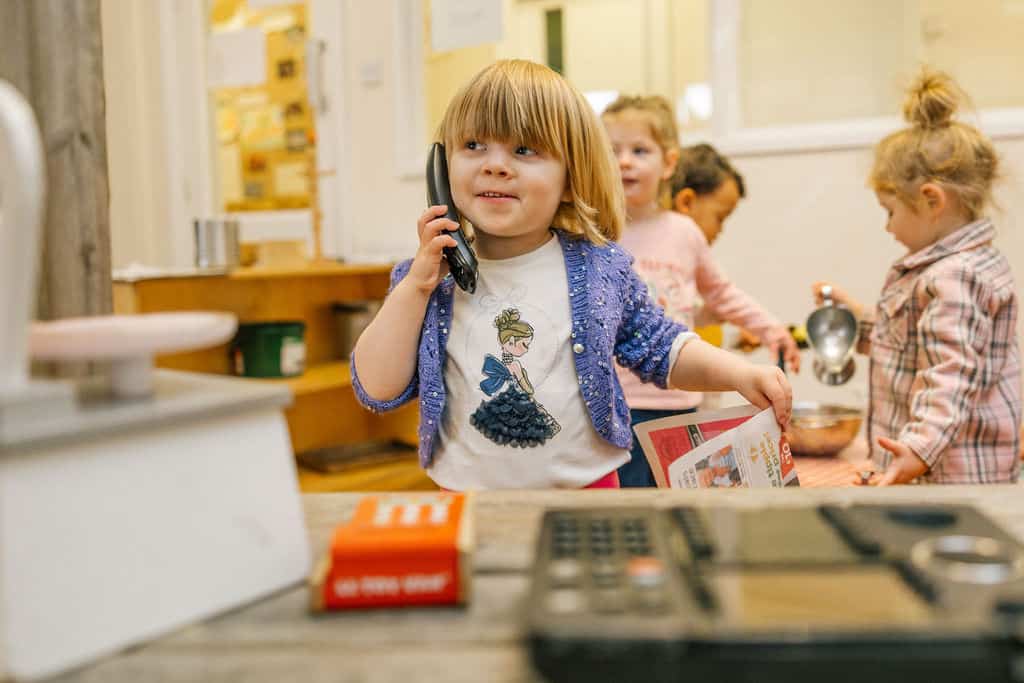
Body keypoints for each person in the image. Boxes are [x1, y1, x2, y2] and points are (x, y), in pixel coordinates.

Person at [351, 60, 791, 491]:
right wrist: (415, 288)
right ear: (441, 167)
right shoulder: (427, 279)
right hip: (468, 501)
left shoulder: (600, 267)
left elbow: (660, 346)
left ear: (569, 177)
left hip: (587, 490)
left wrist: (738, 374)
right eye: (473, 145)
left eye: (524, 150)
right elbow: (377, 387)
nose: (496, 165)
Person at [814, 69, 1020, 485]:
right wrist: (856, 318)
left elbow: (950, 373)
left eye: (890, 211)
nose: (887, 227)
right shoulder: (957, 268)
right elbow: (914, 341)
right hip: (940, 469)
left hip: (952, 478)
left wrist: (919, 449)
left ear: (931, 200)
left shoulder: (954, 277)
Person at [601, 94, 799, 487]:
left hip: (680, 398)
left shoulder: (684, 233)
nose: (624, 161)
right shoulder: (597, 232)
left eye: (639, 150)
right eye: (613, 151)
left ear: (669, 163)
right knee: (628, 498)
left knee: (678, 497)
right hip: (618, 400)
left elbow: (722, 294)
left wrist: (771, 330)